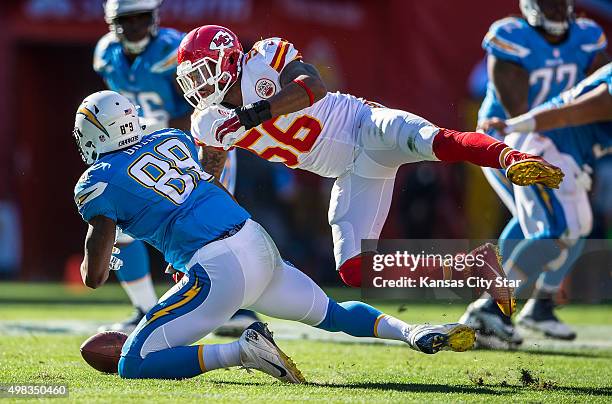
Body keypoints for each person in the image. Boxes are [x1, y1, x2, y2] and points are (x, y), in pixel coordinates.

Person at [73, 90, 480, 381]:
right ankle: (411, 331)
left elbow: (94, 277)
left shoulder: (98, 182)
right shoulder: (170, 139)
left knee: (133, 363)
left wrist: (111, 246)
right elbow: (210, 189)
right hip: (253, 239)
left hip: (217, 268)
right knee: (332, 314)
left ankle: (242, 351)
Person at [175, 25, 564, 315]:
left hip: (365, 125)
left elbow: (313, 86)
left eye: (202, 71)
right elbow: (210, 183)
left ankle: (512, 159)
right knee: (354, 270)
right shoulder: (208, 121)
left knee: (439, 141)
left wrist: (250, 116)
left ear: (227, 60)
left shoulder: (265, 56)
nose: (197, 84)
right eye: (190, 77)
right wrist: (195, 246)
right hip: (350, 170)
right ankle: (473, 265)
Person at [94, 0, 251, 335]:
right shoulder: (106, 54)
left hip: (193, 146)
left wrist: (152, 123)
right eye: (125, 20)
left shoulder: (174, 50)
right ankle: (144, 308)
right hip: (146, 154)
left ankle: (236, 303)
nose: (134, 27)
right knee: (120, 223)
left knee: (219, 225)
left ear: (153, 18)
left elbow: (210, 104)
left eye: (140, 18)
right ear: (111, 22)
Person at [460, 0, 609, 345]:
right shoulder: (510, 35)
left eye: (562, 2)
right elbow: (530, 111)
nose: (558, 10)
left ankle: (530, 306)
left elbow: (587, 97)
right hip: (509, 139)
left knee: (567, 223)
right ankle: (493, 307)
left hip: (559, 145)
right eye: (550, 2)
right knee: (553, 226)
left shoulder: (587, 36)